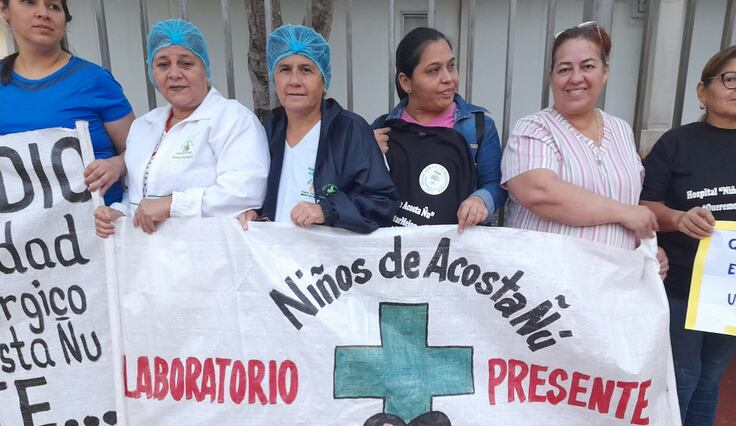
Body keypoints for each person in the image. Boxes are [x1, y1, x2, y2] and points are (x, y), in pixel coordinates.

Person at [0, 0, 134, 426]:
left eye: (55, 5)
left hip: (91, 238)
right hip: (25, 251)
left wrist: (118, 167)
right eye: (31, 2)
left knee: (95, 335)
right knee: (49, 339)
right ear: (5, 11)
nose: (44, 13)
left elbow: (138, 148)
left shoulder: (93, 80)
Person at [640, 42, 736, 426]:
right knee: (683, 372)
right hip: (684, 284)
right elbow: (645, 206)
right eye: (730, 78)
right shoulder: (676, 144)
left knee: (711, 375)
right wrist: (677, 218)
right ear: (703, 89)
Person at [95, 19, 269, 237]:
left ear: (205, 69)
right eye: (163, 64)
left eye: (186, 64)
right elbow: (136, 194)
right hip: (148, 260)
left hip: (207, 258)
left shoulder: (233, 119)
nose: (174, 74)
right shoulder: (144, 127)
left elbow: (244, 193)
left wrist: (172, 205)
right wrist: (118, 214)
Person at [501, 22, 661, 254]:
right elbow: (541, 194)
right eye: (565, 69)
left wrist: (645, 246)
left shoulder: (621, 130)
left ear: (604, 73)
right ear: (551, 77)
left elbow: (630, 202)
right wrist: (623, 212)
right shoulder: (533, 128)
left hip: (614, 280)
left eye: (587, 66)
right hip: (547, 280)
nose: (576, 78)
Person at [240, 24, 397, 233]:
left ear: (324, 80)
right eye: (285, 70)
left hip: (328, 263)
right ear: (273, 78)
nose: (294, 81)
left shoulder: (349, 131)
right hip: (272, 261)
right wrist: (253, 211)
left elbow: (382, 203)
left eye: (306, 70)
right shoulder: (267, 131)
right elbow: (255, 189)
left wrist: (326, 210)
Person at [372, 27, 506, 231]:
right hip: (395, 255)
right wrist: (366, 155)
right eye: (434, 70)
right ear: (406, 82)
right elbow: (355, 190)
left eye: (451, 66)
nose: (448, 78)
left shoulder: (478, 127)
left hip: (457, 254)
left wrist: (480, 200)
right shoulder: (382, 130)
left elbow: (496, 184)